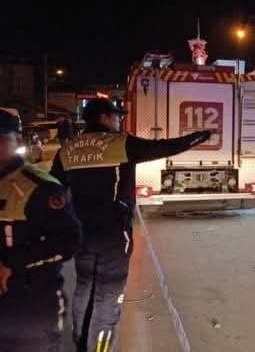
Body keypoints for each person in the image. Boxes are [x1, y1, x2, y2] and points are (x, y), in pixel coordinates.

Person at [50, 98, 211, 352]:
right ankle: (99, 349)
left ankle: (81, 342)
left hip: (80, 230)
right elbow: (164, 147)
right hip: (113, 233)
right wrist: (200, 136)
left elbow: (55, 190)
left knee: (84, 286)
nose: (119, 120)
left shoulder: (67, 149)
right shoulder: (119, 144)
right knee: (108, 295)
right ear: (103, 118)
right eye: (116, 116)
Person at [0, 108, 81, 350]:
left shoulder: (40, 188)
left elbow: (69, 242)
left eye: (2, 138)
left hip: (30, 308)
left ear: (17, 140)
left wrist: (12, 263)